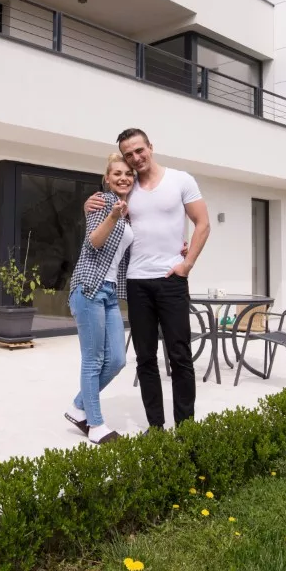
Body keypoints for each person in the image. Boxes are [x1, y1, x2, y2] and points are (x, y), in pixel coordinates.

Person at [85, 128, 210, 429]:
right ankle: (156, 428)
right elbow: (102, 210)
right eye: (129, 154)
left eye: (139, 151)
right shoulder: (127, 191)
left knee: (180, 355)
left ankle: (186, 427)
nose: (135, 158)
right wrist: (88, 203)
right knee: (145, 359)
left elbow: (202, 223)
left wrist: (187, 263)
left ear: (150, 147)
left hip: (171, 280)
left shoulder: (181, 180)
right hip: (137, 283)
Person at [64, 153, 136, 445]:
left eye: (128, 173)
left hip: (109, 292)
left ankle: (78, 407)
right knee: (93, 361)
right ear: (107, 178)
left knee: (117, 359)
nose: (123, 178)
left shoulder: (129, 210)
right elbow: (93, 241)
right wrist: (112, 216)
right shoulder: (103, 201)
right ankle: (95, 425)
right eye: (117, 173)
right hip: (88, 287)